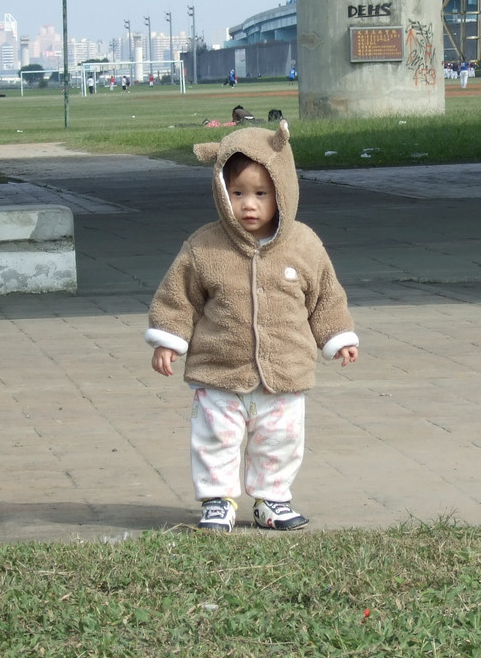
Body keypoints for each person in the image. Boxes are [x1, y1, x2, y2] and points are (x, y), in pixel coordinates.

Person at [145, 121, 358, 533]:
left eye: (261, 194)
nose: (249, 205)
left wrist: (337, 336)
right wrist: (168, 339)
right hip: (219, 372)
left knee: (280, 440)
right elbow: (178, 297)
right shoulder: (204, 246)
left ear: (283, 190)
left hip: (285, 373)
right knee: (215, 439)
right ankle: (218, 500)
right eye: (237, 193)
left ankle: (271, 499)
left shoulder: (304, 244)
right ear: (221, 192)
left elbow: (327, 297)